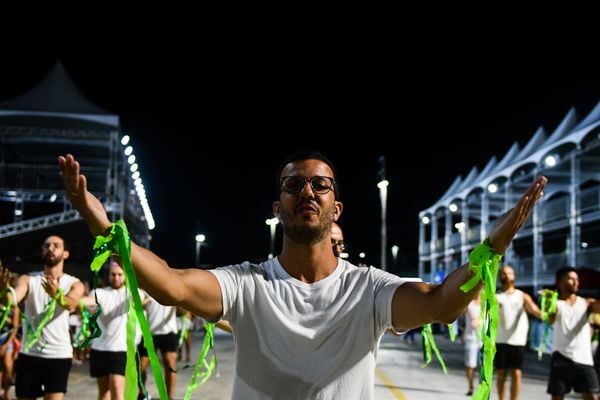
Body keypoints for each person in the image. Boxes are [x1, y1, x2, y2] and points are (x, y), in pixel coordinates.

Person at [59, 150, 546, 399]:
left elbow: (442, 302)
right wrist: (105, 227)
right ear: (278, 205)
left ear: (337, 207)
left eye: (320, 184)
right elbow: (171, 284)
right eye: (293, 185)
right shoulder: (248, 284)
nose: (307, 191)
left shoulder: (369, 288)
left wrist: (492, 246)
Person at [0, 235, 85, 399]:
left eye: (56, 245)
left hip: (58, 355)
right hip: (29, 354)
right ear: (42, 252)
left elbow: (72, 303)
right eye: (46, 246)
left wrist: (56, 295)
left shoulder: (74, 283)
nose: (50, 248)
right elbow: (12, 299)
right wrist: (3, 291)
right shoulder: (28, 279)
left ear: (65, 253)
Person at [80, 260, 134, 400]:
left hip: (120, 350)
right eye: (113, 274)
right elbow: (89, 300)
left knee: (117, 389)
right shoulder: (99, 292)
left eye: (119, 275)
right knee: (104, 392)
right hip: (99, 349)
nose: (116, 278)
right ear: (108, 275)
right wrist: (74, 301)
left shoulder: (131, 294)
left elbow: (145, 298)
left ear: (125, 276)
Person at [546, 266, 600, 400]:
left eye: (577, 279)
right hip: (561, 357)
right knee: (557, 398)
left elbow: (598, 309)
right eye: (570, 278)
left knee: (592, 397)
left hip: (584, 359)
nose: (576, 282)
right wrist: (548, 301)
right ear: (559, 282)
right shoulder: (555, 304)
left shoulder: (587, 303)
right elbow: (550, 319)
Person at [495, 265, 542, 400]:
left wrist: (549, 310)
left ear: (513, 276)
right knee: (501, 374)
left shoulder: (522, 296)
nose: (506, 276)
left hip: (517, 341)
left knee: (516, 373)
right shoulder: (496, 296)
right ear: (499, 277)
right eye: (503, 274)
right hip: (500, 340)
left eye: (508, 273)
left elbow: (535, 311)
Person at [137, 296, 178, 400]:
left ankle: (168, 397)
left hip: (169, 331)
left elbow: (182, 310)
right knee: (141, 366)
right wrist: (143, 303)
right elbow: (137, 305)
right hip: (149, 332)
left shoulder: (172, 286)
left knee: (170, 364)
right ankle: (142, 393)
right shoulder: (146, 287)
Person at [0, 263, 19, 400]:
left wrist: (7, 344)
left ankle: (6, 394)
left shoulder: (12, 301)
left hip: (7, 338)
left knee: (7, 367)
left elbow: (15, 326)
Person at [464, 290, 482, 396]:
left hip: (484, 339)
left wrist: (479, 319)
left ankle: (481, 387)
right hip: (471, 338)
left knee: (484, 365)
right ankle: (470, 387)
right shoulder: (468, 303)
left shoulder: (486, 304)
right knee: (471, 365)